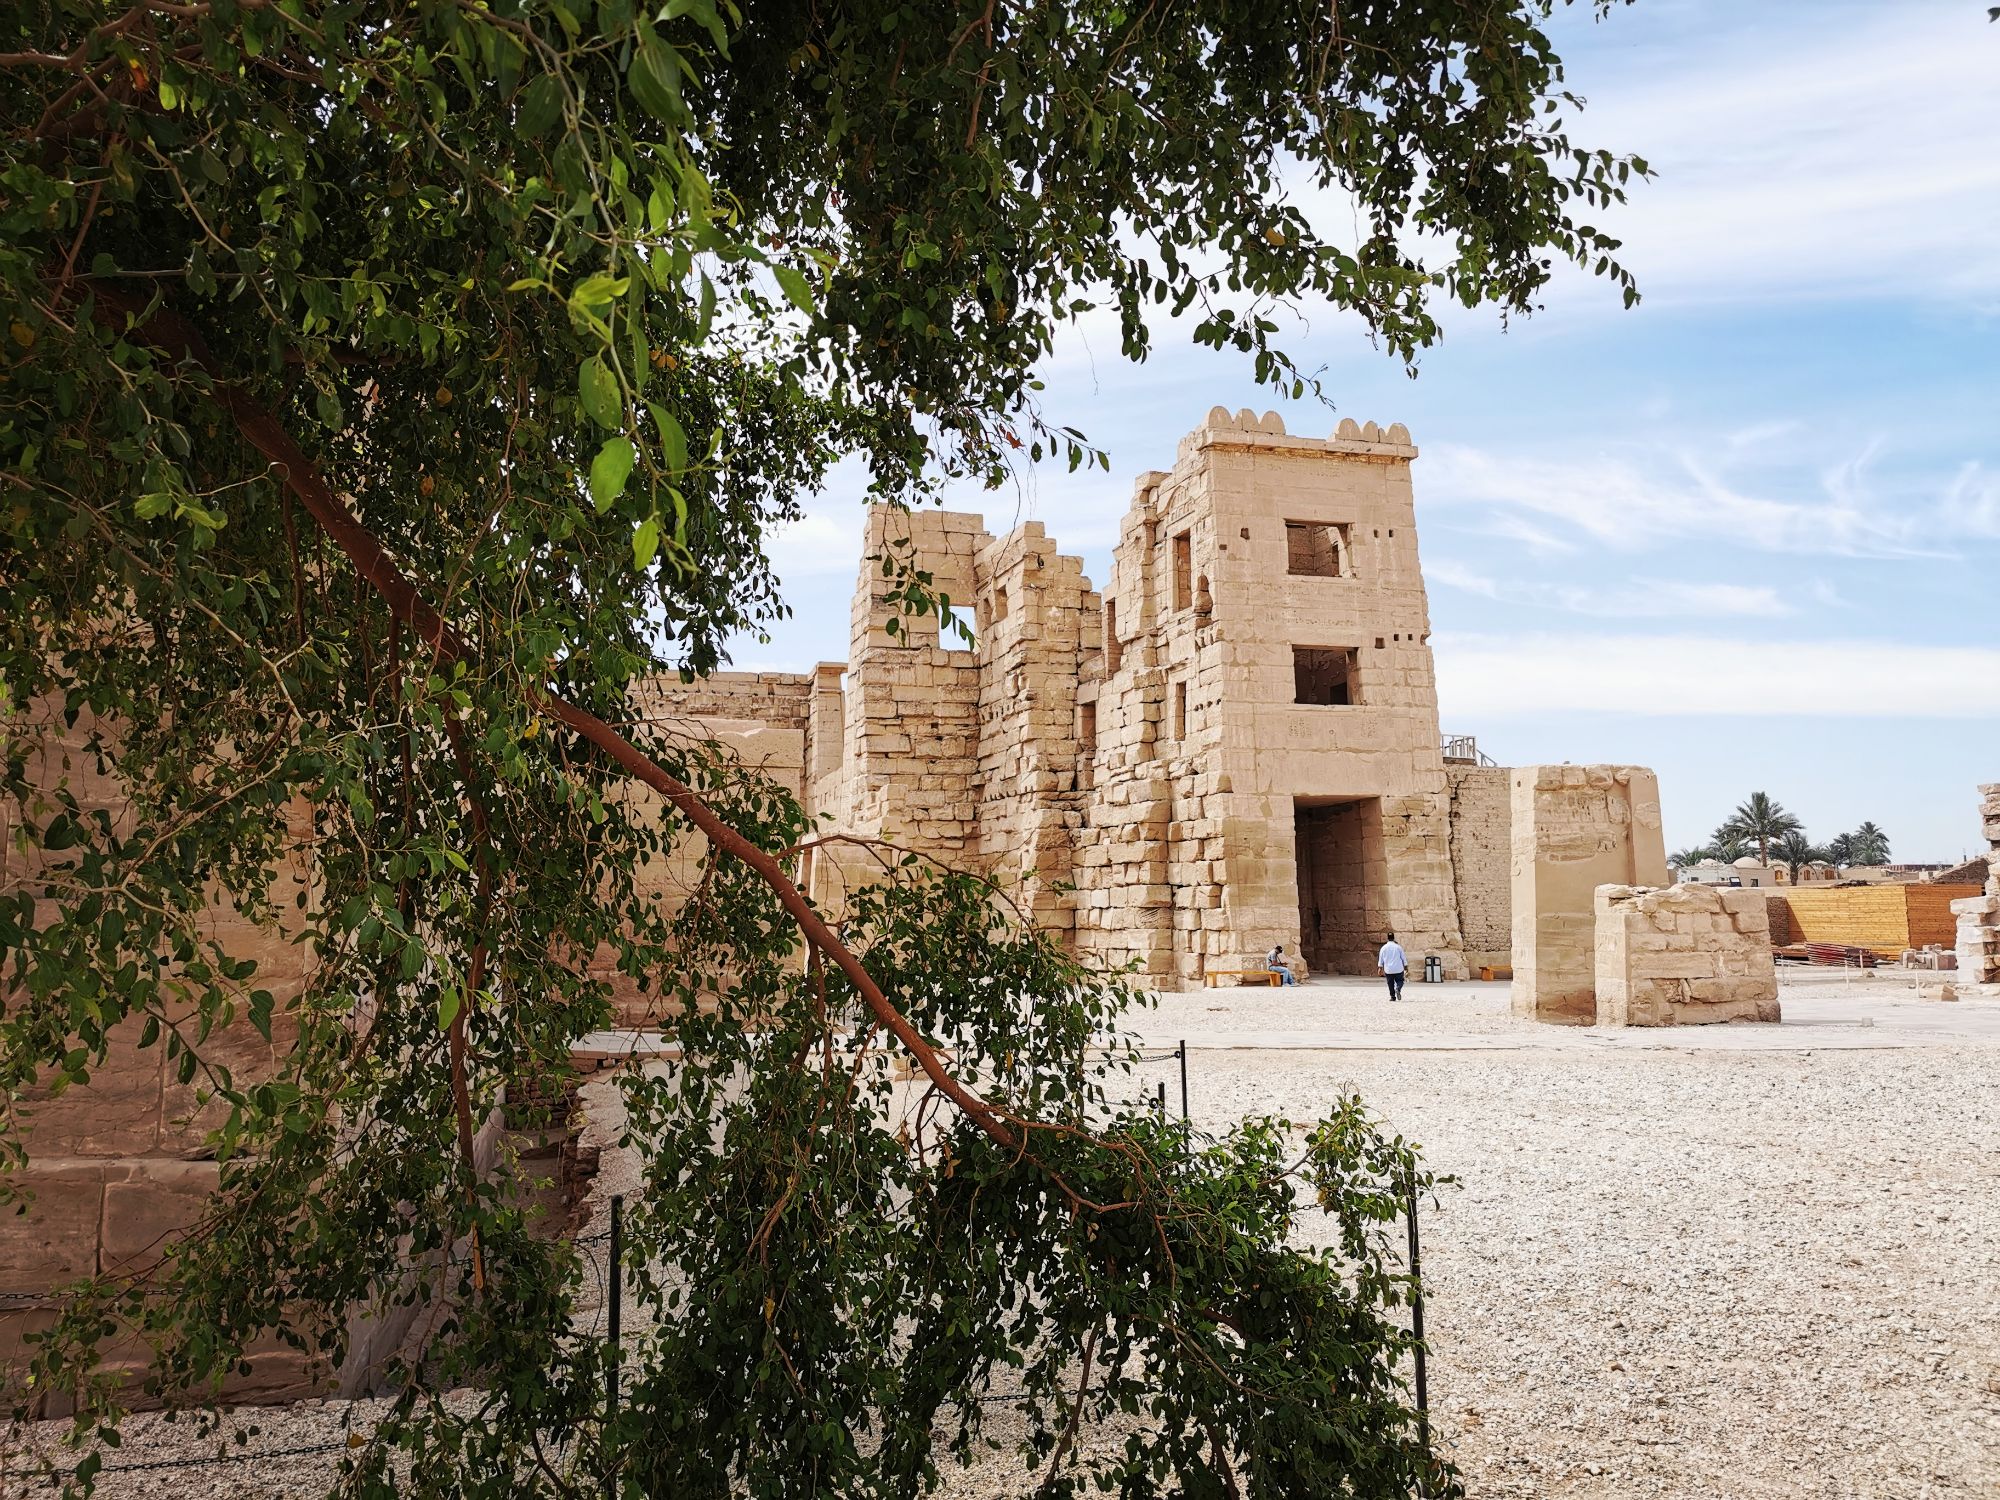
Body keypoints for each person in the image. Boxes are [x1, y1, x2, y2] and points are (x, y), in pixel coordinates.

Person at [1377, 931, 1407, 1001]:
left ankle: (1392, 997)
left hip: (1388, 969)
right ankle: (1398, 988)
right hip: (1398, 968)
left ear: (1387, 938)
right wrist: (1406, 967)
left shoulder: (1383, 948)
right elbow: (1403, 958)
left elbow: (1381, 958)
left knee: (1390, 983)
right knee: (1400, 980)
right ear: (1393, 938)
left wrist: (1380, 968)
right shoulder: (1398, 947)